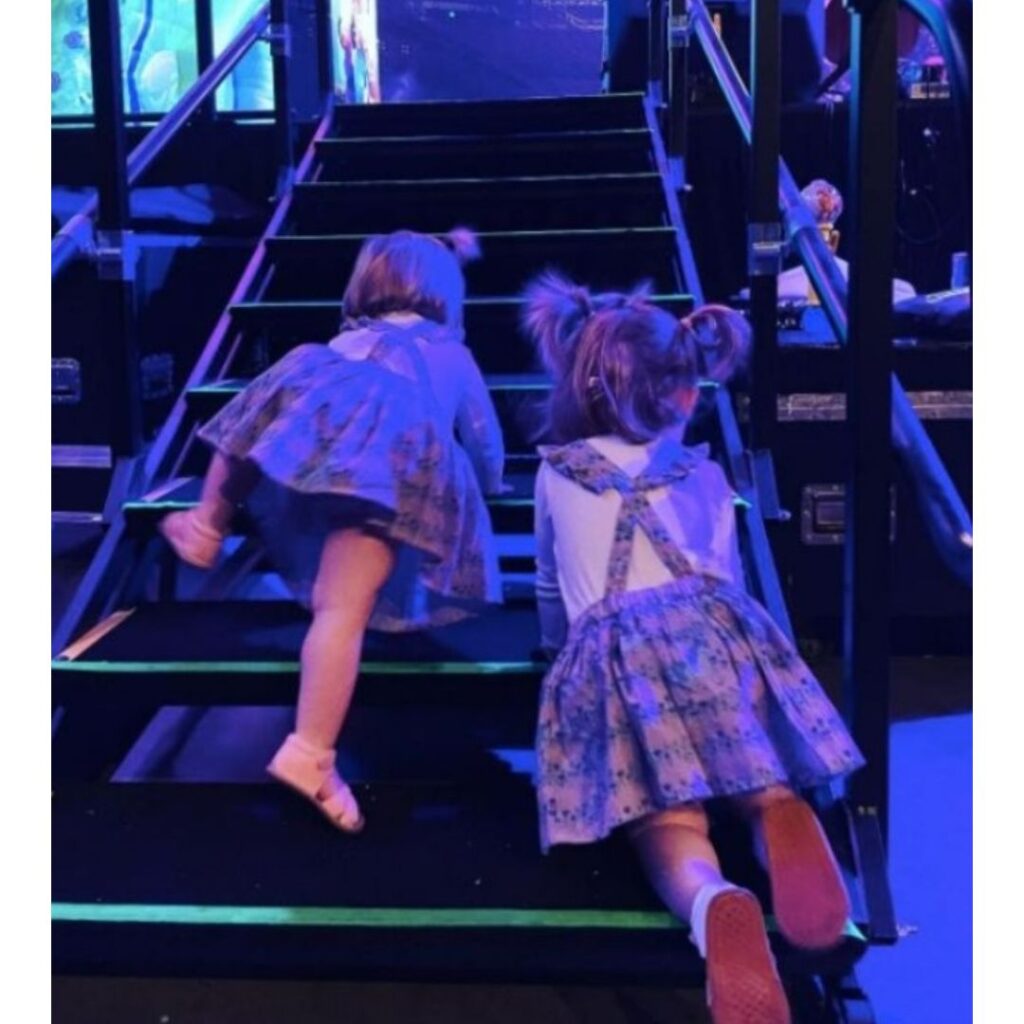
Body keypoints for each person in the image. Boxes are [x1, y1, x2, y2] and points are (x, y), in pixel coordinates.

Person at [523, 274, 865, 1024]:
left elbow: (552, 588)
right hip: (712, 636)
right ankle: (777, 814)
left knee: (667, 819)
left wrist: (556, 654)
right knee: (756, 774)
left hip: (616, 652)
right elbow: (729, 579)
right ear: (685, 394)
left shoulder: (557, 474)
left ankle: (712, 903)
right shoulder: (704, 471)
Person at [160, 228, 505, 832]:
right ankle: (311, 752)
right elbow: (484, 440)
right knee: (340, 610)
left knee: (255, 418)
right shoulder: (451, 353)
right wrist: (488, 482)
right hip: (393, 467)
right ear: (446, 294)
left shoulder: (338, 349)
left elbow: (274, 422)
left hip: (332, 446)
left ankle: (207, 520)